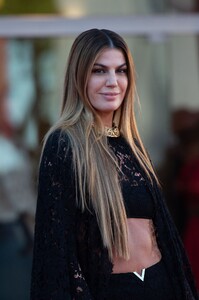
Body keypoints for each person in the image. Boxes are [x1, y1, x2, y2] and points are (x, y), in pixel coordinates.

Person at [30, 28, 198, 300]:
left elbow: (162, 234)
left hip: (160, 285)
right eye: (99, 71)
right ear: (79, 76)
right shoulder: (64, 144)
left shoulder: (131, 145)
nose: (113, 81)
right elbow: (56, 249)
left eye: (120, 71)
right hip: (113, 291)